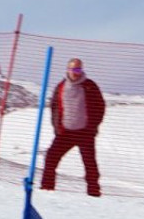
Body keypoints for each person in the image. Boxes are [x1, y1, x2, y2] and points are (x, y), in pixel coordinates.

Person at [40, 57, 105, 197]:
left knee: (90, 164)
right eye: (73, 69)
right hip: (65, 133)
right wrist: (57, 127)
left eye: (78, 69)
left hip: (85, 133)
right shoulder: (60, 87)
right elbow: (54, 107)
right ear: (67, 69)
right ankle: (46, 189)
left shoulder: (90, 86)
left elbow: (100, 106)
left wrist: (93, 126)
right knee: (51, 158)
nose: (75, 72)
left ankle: (94, 192)